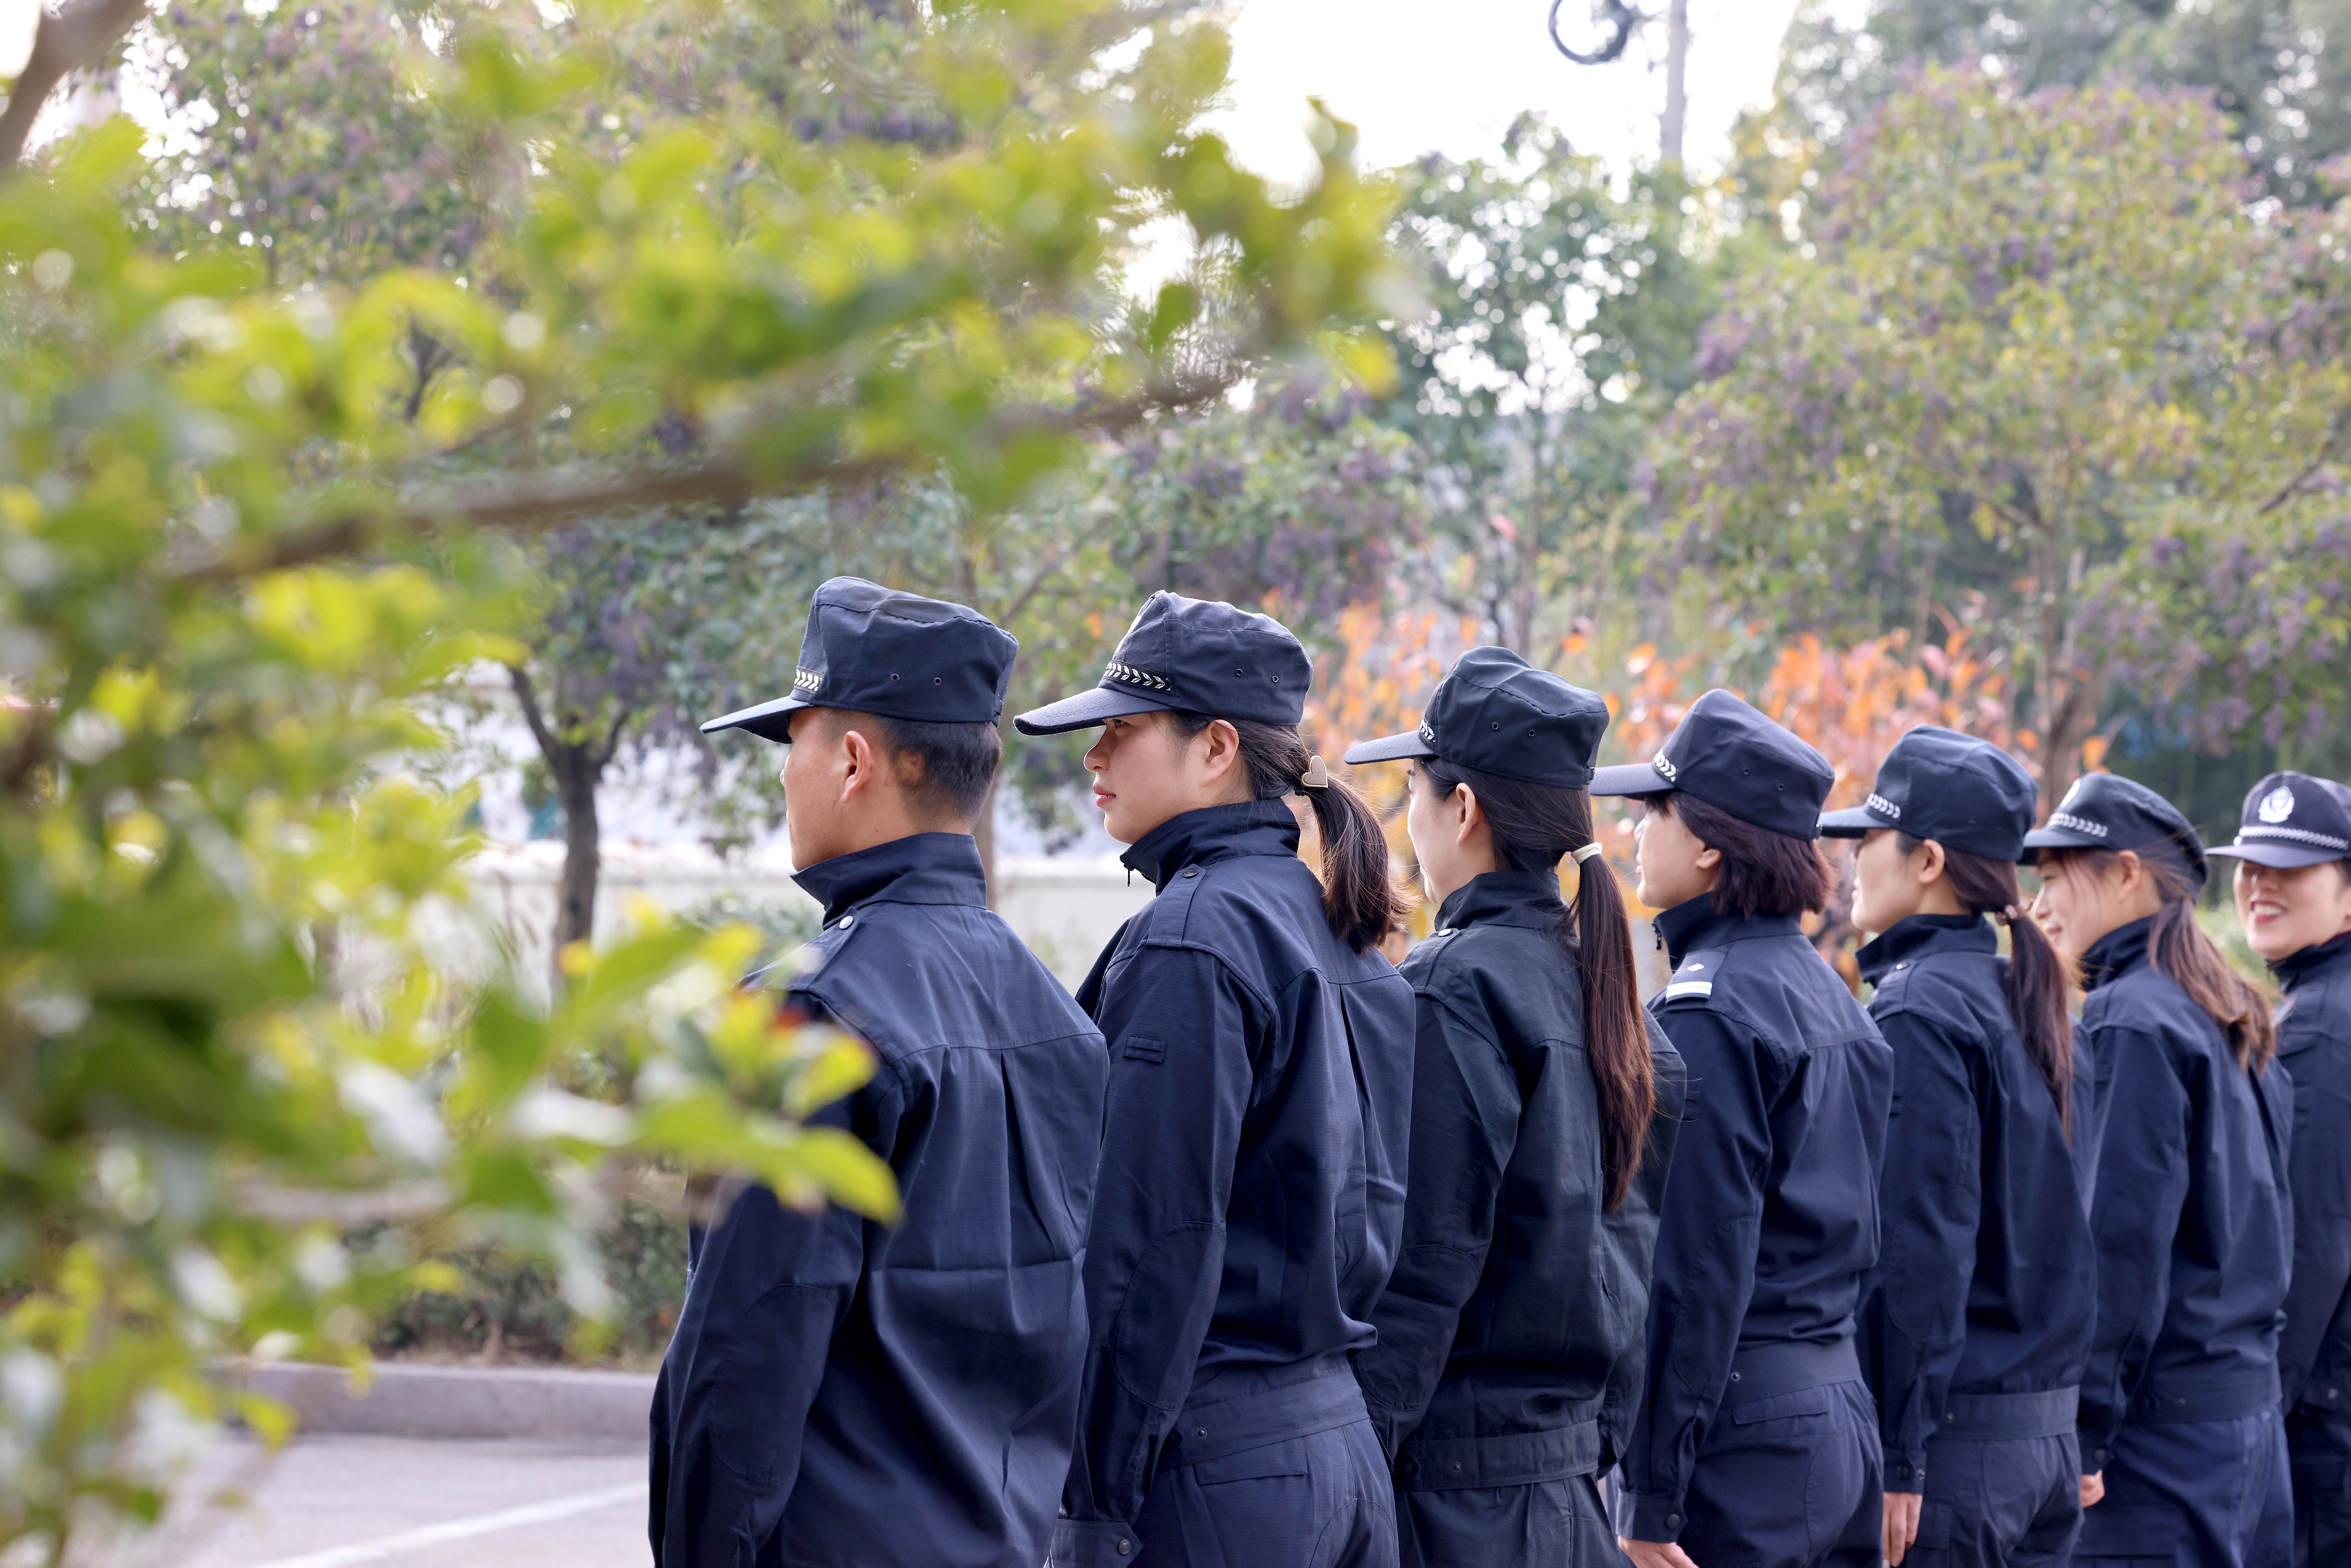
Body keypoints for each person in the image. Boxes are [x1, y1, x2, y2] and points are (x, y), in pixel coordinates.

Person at [649, 578, 1110, 1568]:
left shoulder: (812, 1016)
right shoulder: (1060, 1019)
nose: (783, 780)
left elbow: (745, 1357)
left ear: (853, 760)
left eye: (794, 746)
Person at [1015, 591, 1416, 1568]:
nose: (1093, 757)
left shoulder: (1193, 936)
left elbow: (1148, 1245)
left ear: (1216, 748)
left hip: (1213, 1464)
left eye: (1122, 729)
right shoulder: (1340, 932)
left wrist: (1094, 1504)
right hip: (1337, 1452)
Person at [1342, 647, 1688, 1568]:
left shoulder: (1453, 987)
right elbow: (1641, 1261)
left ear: (1462, 808)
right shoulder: (1610, 995)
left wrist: (1354, 1473)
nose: (1406, 821)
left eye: (1413, 791)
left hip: (1453, 1500)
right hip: (1569, 1493)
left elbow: (1421, 1264)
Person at [1591, 689, 1894, 1568]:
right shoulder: (1835, 1001)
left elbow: (1694, 1265)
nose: (1635, 834)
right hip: (1835, 1409)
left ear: (1713, 845)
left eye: (1656, 811)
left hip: (1740, 1434)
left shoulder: (1713, 1013)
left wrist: (1650, 1497)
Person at [1819, 727, 2094, 1567]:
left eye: (1867, 839)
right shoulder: (2025, 1000)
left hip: (1954, 1454)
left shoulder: (1921, 1011)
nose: (1851, 863)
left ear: (1928, 861)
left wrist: (1900, 1451)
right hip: (2040, 1442)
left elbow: (1920, 1247)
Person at [2024, 771, 2293, 1568]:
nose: (2039, 907)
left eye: (2054, 879)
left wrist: (2082, 1433)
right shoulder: (2229, 1012)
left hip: (2161, 1443)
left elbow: (2120, 1242)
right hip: (2246, 1424)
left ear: (2125, 874)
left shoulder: (2132, 1019)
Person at [2209, 772, 2351, 1567]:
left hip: (2319, 1433)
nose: (2261, 882)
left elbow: (2310, 1250)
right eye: (2250, 862)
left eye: (2290, 868)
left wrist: (2255, 1431)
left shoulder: (2322, 1031)